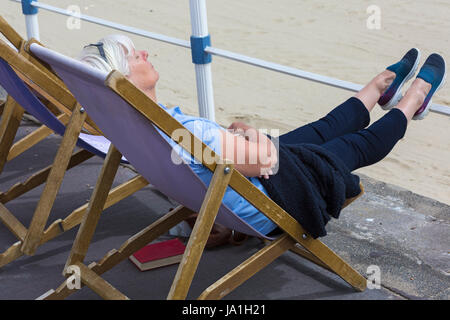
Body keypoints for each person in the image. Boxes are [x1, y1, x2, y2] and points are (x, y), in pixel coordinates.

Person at [79, 35, 446, 244]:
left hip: (234, 186)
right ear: (125, 80)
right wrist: (253, 136)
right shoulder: (187, 135)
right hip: (269, 198)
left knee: (319, 130)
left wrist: (241, 142)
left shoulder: (134, 128)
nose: (144, 52)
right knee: (352, 146)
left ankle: (381, 85)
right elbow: (267, 162)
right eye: (133, 56)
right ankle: (416, 98)